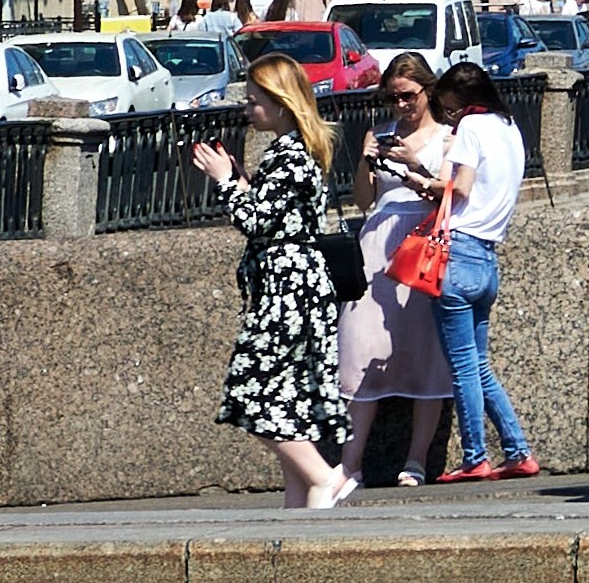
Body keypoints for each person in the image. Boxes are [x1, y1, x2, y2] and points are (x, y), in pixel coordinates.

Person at [192, 52, 356, 511]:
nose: (247, 109)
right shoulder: (293, 151)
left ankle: (326, 478)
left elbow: (256, 220)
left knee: (253, 390)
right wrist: (242, 181)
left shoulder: (289, 156)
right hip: (292, 288)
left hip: (289, 293)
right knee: (287, 399)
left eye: (255, 100)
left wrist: (225, 181)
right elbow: (275, 215)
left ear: (282, 103)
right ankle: (300, 503)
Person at [338, 56, 455, 485]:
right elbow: (363, 199)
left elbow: (447, 197)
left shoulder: (446, 138)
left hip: (422, 247)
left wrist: (414, 168)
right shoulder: (380, 133)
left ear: (428, 92)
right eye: (393, 97)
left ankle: (416, 460)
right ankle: (351, 464)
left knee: (426, 352)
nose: (401, 104)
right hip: (377, 246)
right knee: (360, 346)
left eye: (408, 95)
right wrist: (367, 161)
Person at [425, 59, 538, 482]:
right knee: (480, 364)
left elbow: (462, 189)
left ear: (463, 102)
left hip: (459, 253)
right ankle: (518, 451)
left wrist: (420, 180)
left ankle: (475, 457)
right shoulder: (510, 127)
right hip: (489, 258)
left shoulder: (471, 129)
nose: (448, 116)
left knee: (463, 367)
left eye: (449, 108)